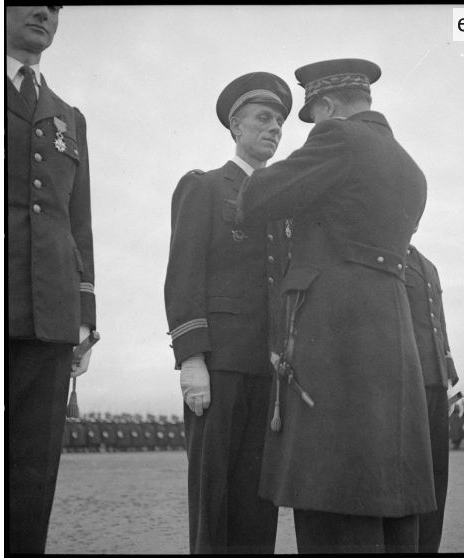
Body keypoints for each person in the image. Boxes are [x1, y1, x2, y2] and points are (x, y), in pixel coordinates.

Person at [235, 58, 436, 553]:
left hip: (336, 332)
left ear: (325, 106)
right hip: (390, 328)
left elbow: (255, 199)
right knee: (387, 482)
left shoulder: (338, 137)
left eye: (312, 117)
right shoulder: (409, 163)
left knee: (332, 486)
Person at [164, 72, 292, 553]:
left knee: (260, 504)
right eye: (263, 118)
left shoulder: (282, 205)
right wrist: (191, 358)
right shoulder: (204, 186)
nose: (274, 127)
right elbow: (183, 273)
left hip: (270, 371)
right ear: (235, 127)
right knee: (213, 502)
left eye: (279, 121)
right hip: (217, 368)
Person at [7, 6, 96, 554]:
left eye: (58, 6)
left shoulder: (69, 116)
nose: (45, 11)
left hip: (52, 318)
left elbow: (77, 221)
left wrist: (85, 314)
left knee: (32, 480)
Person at [404, 244, 459, 553]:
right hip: (409, 381)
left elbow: (440, 323)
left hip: (437, 380)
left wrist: (449, 368)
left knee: (438, 475)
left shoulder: (428, 266)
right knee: (414, 477)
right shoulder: (392, 256)